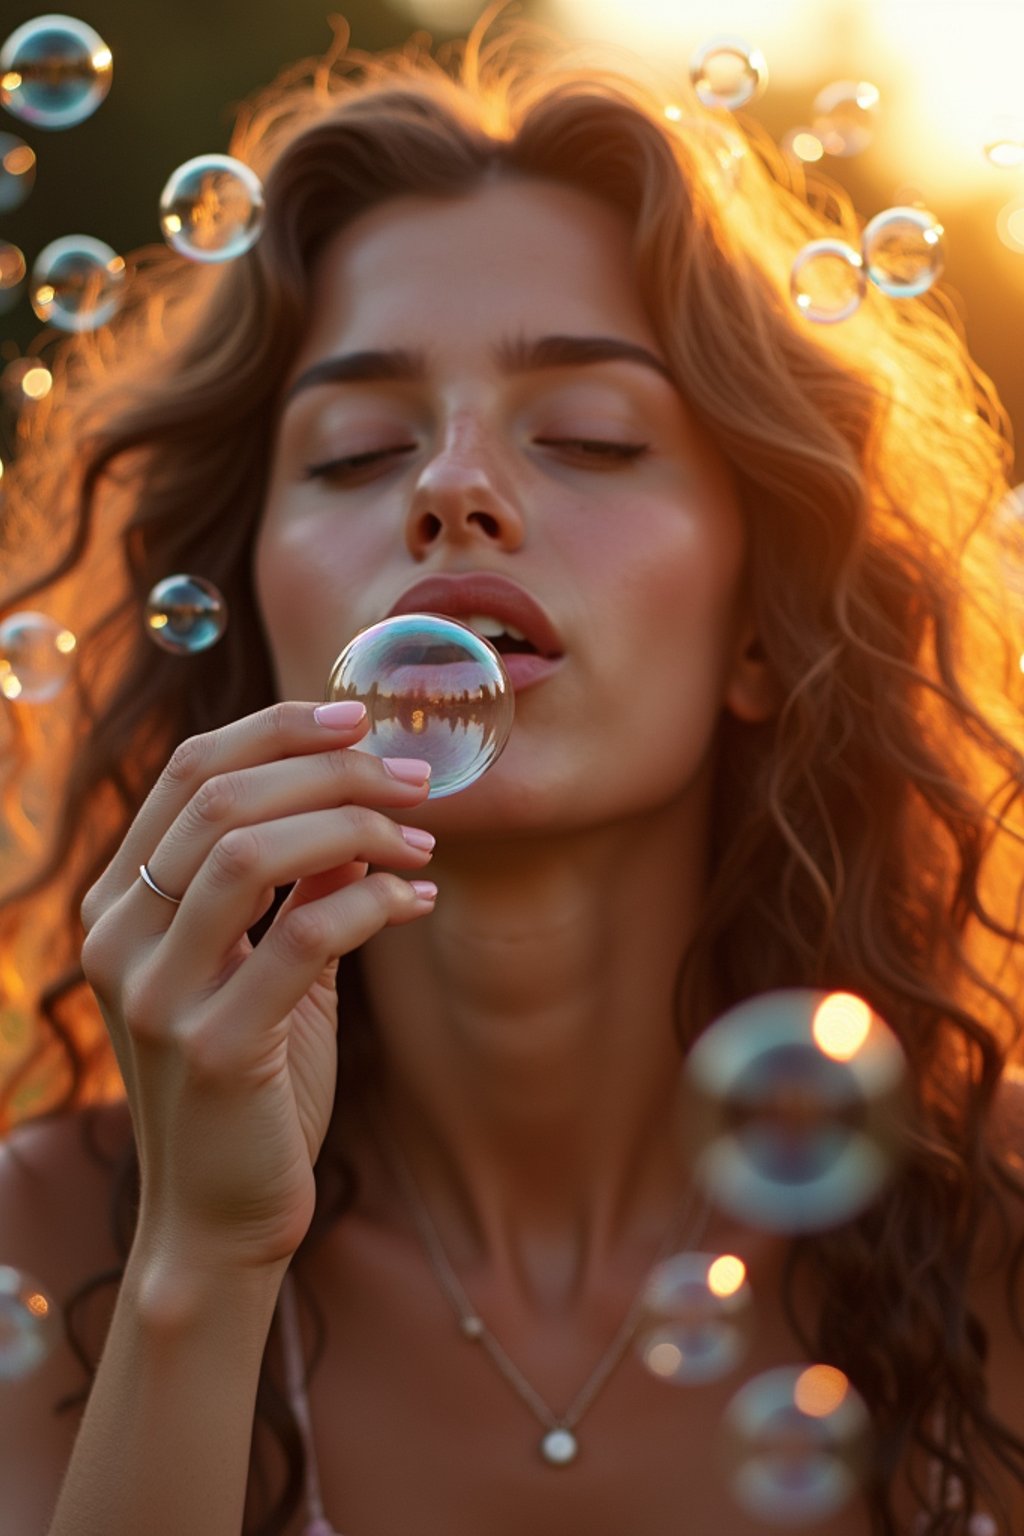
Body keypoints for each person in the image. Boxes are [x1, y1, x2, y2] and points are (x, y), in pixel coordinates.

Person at [1, 6, 1023, 1533]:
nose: (454, 488)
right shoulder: (43, 1244)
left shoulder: (1003, 1241)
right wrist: (199, 1271)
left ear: (766, 626)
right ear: (250, 620)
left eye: (595, 437)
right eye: (355, 452)